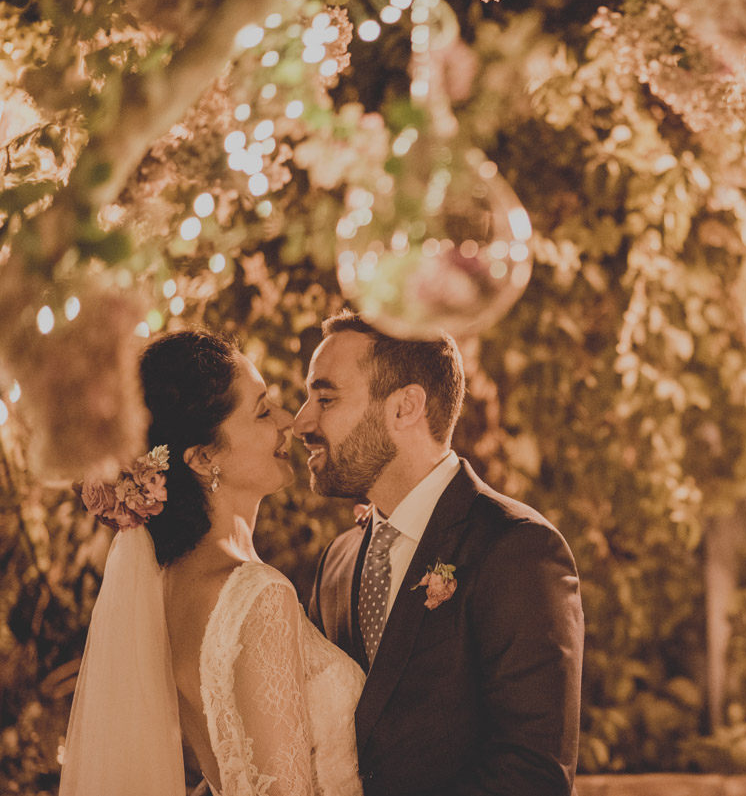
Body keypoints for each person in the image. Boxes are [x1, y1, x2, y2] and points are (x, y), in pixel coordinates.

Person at [60, 330, 365, 796]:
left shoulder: (165, 587)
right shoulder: (257, 595)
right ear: (203, 458)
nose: (288, 420)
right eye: (263, 411)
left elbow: (231, 765)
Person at [300, 311, 585, 796]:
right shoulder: (338, 562)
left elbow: (532, 772)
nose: (303, 420)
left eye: (325, 398)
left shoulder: (517, 549)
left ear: (405, 407)